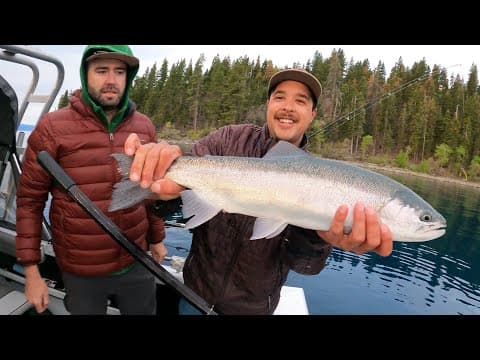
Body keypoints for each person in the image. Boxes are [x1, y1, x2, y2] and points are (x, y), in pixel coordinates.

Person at [124, 68, 393, 315]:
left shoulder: (325, 182)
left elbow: (306, 266)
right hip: (194, 293)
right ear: (268, 104)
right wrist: (158, 193)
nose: (288, 107)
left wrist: (320, 237)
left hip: (252, 310)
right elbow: (176, 199)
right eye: (280, 97)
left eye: (301, 101)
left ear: (312, 114)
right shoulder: (226, 140)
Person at [15, 45, 167, 315]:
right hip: (81, 270)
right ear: (85, 75)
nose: (111, 80)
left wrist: (156, 238)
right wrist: (31, 271)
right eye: (101, 70)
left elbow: (149, 191)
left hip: (136, 260)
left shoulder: (144, 126)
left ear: (128, 78)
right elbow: (29, 202)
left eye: (119, 71)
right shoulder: (52, 128)